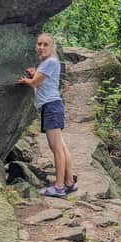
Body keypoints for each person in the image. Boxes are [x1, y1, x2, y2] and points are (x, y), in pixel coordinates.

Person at [18, 33, 76, 197]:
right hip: (53, 106)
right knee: (61, 146)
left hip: (51, 108)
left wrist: (25, 80)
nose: (42, 47)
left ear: (52, 47)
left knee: (56, 148)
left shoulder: (50, 61)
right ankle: (69, 182)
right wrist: (35, 73)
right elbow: (41, 80)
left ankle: (58, 186)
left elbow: (35, 83)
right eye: (39, 44)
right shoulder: (49, 63)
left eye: (45, 45)